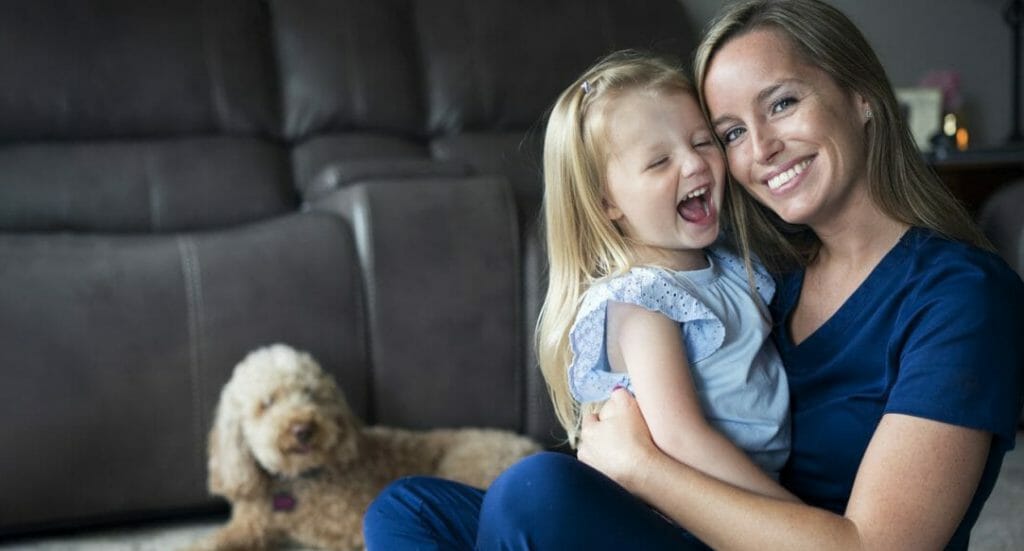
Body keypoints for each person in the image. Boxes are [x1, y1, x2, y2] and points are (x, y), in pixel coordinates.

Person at [364, 1, 1024, 548]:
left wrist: (642, 467)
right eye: (731, 132)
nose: (760, 149)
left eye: (784, 102)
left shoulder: (961, 295)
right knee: (409, 508)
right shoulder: (772, 273)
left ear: (861, 97)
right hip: (698, 527)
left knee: (535, 492)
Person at [363, 50, 795, 549]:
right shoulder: (643, 302)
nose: (695, 162)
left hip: (713, 526)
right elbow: (680, 439)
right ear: (606, 201)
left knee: (529, 493)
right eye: (659, 161)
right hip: (681, 512)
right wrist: (792, 519)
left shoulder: (733, 266)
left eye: (704, 141)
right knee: (406, 505)